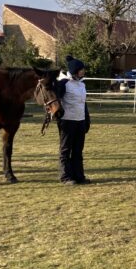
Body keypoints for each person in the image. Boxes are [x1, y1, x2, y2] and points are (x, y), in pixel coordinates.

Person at [56, 55, 91, 185]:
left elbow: (83, 104)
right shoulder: (64, 84)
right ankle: (66, 177)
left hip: (80, 121)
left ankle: (79, 176)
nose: (83, 71)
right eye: (81, 69)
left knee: (78, 150)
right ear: (75, 70)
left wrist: (86, 119)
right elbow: (55, 101)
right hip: (67, 121)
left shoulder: (82, 84)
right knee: (65, 150)